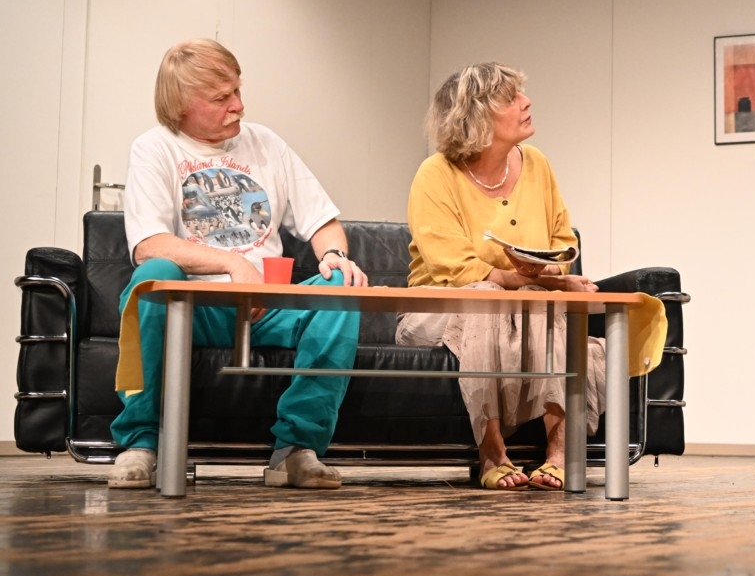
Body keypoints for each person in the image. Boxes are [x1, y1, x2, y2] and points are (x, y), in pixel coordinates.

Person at [108, 38, 368, 490]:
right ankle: (141, 444)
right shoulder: (154, 148)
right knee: (152, 277)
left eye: (237, 91)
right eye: (221, 98)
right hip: (195, 307)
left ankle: (296, 450)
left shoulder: (267, 143)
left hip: (267, 306)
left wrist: (334, 254)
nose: (238, 106)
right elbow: (149, 244)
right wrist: (232, 264)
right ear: (181, 105)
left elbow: (323, 220)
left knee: (340, 288)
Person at [396, 62, 605, 490]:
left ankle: (560, 455)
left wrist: (550, 271)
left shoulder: (538, 164)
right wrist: (541, 282)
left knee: (541, 306)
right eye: (511, 98)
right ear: (475, 115)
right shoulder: (435, 174)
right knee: (487, 297)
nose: (526, 102)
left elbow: (563, 241)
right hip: (439, 307)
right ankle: (491, 452)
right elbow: (453, 267)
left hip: (521, 304)